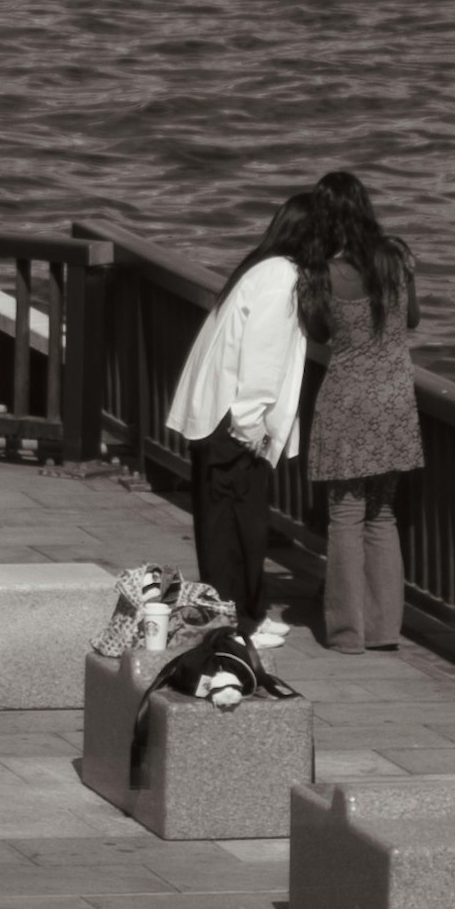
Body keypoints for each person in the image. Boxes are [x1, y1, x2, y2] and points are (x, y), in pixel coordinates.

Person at [162, 197, 319, 647]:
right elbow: (263, 359)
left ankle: (242, 616)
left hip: (222, 417)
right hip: (234, 422)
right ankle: (233, 626)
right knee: (234, 528)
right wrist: (251, 425)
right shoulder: (282, 278)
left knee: (231, 523)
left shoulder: (263, 268)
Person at [301, 167, 423, 656]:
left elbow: (318, 332)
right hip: (395, 398)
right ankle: (384, 630)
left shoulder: (326, 273)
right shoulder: (398, 257)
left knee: (345, 514)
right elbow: (411, 319)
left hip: (348, 398)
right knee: (383, 512)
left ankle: (347, 634)